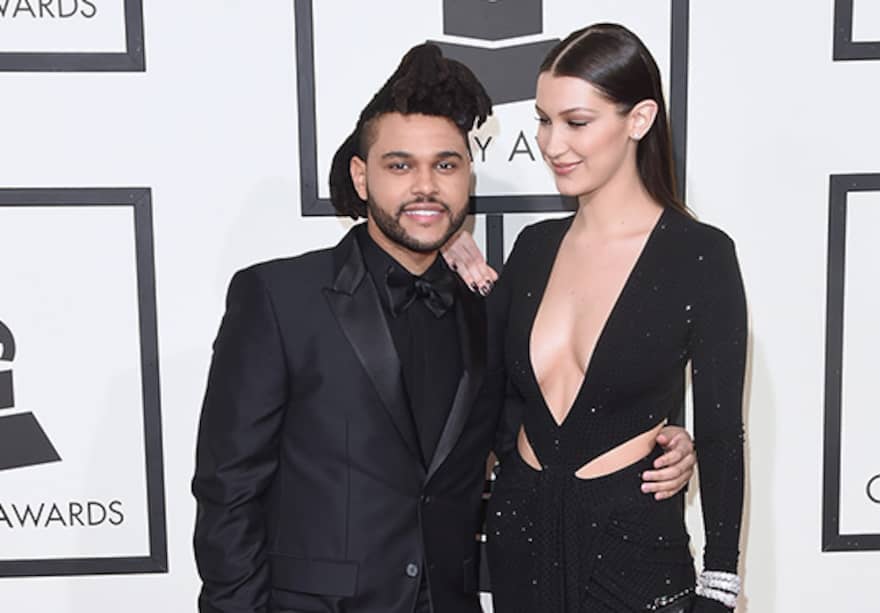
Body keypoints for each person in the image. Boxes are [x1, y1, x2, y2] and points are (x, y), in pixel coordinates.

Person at [192, 43, 697, 613]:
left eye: (446, 165)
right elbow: (228, 492)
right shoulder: (280, 298)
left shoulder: (490, 310)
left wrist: (665, 442)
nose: (425, 186)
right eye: (400, 165)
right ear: (361, 177)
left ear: (467, 175)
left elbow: (537, 439)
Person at [445, 23, 747, 613]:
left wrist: (720, 584)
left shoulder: (700, 255)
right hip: (518, 538)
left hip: (633, 551)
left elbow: (719, 435)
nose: (552, 144)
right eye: (543, 119)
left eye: (576, 122)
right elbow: (498, 401)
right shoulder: (533, 249)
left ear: (638, 120)